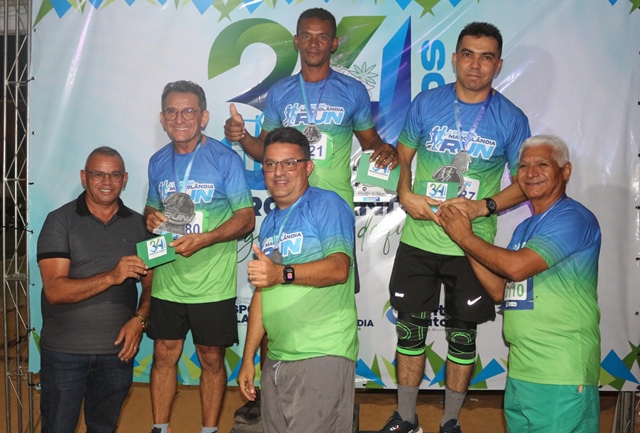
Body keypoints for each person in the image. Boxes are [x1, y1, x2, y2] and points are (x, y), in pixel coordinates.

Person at [225, 8, 397, 423]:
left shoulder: (352, 91)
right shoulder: (281, 92)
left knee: (323, 290)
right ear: (297, 41)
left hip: (330, 207)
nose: (315, 43)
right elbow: (267, 150)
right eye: (307, 35)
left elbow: (371, 141)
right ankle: (269, 386)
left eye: (323, 36)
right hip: (287, 207)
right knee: (274, 293)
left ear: (334, 43)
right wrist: (244, 137)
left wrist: (387, 150)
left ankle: (326, 372)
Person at [380, 22, 531, 433]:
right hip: (420, 238)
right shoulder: (427, 103)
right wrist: (405, 193)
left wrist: (484, 206)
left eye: (486, 57)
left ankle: (450, 422)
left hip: (472, 246)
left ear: (498, 65)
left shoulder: (511, 118)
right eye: (468, 54)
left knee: (463, 337)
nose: (475, 65)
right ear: (454, 59)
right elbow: (403, 156)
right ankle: (406, 418)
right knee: (410, 332)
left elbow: (526, 182)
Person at [439, 135, 601, 432]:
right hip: (522, 370)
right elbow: (500, 290)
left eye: (542, 164)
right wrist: (463, 240)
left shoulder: (573, 217)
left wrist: (465, 236)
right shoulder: (525, 227)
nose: (531, 173)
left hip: (560, 372)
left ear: (565, 171)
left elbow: (516, 268)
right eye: (523, 166)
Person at [145, 80, 255, 433]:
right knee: (164, 354)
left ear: (204, 117)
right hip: (167, 280)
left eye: (189, 111)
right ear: (162, 118)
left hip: (212, 284)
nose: (180, 118)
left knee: (211, 358)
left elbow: (246, 218)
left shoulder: (225, 159)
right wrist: (151, 217)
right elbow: (151, 208)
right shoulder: (157, 162)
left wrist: (206, 239)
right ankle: (160, 428)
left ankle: (209, 430)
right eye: (172, 111)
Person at [237, 127, 358, 433]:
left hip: (321, 354)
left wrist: (282, 273)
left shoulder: (327, 204)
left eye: (289, 163)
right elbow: (261, 294)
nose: (278, 172)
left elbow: (339, 268)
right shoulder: (270, 223)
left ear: (308, 167)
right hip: (277, 358)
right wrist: (248, 358)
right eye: (270, 164)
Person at [37, 146, 152, 433]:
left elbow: (154, 284)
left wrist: (140, 320)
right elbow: (55, 291)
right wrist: (112, 276)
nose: (107, 181)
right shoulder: (59, 220)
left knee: (104, 428)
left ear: (125, 179)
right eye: (98, 174)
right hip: (64, 354)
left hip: (117, 354)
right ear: (84, 177)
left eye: (115, 175)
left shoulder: (140, 225)